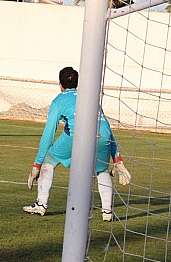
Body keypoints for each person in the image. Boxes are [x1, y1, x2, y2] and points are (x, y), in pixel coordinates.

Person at [23, 66, 132, 221]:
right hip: (104, 138)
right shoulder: (90, 97)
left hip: (79, 136)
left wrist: (37, 165)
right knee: (101, 171)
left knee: (49, 159)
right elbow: (105, 125)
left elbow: (49, 133)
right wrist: (117, 158)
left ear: (60, 84)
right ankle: (107, 212)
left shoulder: (59, 100)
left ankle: (41, 204)